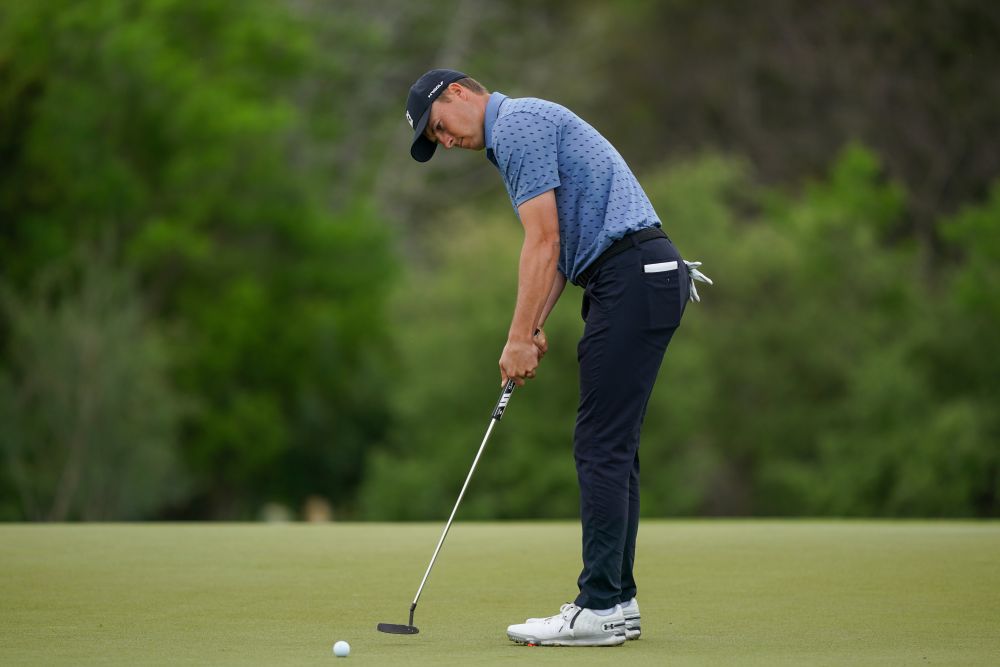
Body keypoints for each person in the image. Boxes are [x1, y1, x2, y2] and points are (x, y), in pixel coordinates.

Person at [404, 68, 710, 647]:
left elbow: (541, 242)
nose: (445, 141)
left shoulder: (516, 126)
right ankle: (617, 603)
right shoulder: (519, 132)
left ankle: (597, 606)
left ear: (460, 93)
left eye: (439, 126)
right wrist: (534, 322)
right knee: (614, 447)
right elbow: (564, 251)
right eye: (434, 139)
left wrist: (519, 336)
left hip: (631, 276)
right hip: (634, 277)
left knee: (599, 444)